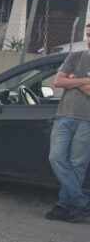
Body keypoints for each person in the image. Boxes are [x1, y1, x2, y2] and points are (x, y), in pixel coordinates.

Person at [46, 23, 90, 223]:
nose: (89, 39)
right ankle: (82, 202)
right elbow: (57, 82)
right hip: (64, 115)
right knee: (56, 158)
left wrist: (73, 79)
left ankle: (64, 206)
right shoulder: (75, 57)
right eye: (88, 35)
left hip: (87, 121)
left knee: (77, 164)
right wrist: (84, 81)